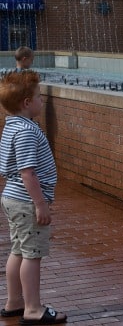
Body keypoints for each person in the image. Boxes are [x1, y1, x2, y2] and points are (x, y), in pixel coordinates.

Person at [0, 71, 66, 325]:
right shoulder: (27, 131)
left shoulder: (12, 125)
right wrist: (40, 204)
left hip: (13, 198)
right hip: (27, 201)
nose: (42, 101)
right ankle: (33, 308)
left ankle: (14, 302)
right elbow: (27, 172)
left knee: (18, 250)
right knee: (32, 255)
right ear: (27, 102)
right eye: (39, 97)